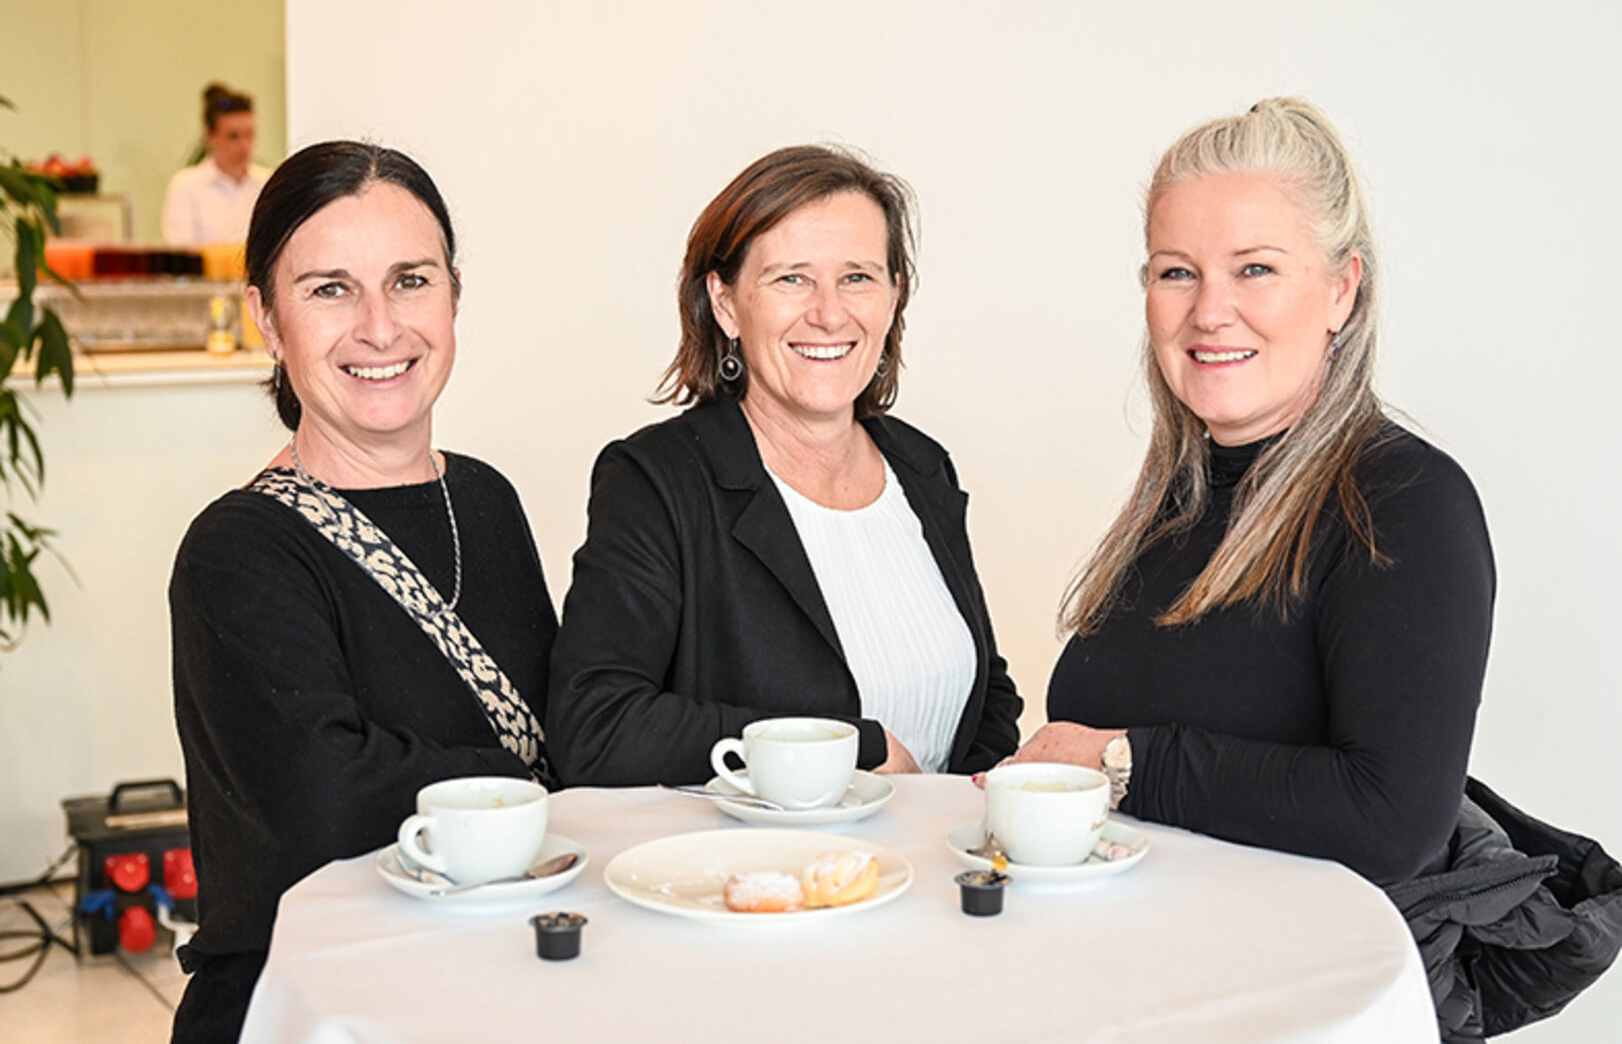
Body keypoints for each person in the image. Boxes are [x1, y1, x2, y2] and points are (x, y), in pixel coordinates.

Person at [1010, 98, 1494, 885]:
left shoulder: (1403, 501)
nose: (1208, 311)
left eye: (1254, 269)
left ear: (1343, 290)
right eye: (1177, 273)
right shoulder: (1183, 499)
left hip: (1293, 990)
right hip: (1144, 972)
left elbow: (1392, 819)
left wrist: (1118, 758)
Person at [168, 141, 555, 1042]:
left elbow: (561, 721)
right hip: (316, 1004)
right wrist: (537, 787)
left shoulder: (486, 501)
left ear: (455, 294)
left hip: (493, 973)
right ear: (266, 318)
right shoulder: (240, 551)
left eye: (411, 280)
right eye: (330, 289)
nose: (380, 328)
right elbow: (328, 805)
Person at [547, 144, 1022, 786]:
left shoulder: (921, 466)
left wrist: (956, 812)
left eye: (857, 276)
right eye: (791, 278)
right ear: (725, 303)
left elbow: (986, 688)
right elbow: (595, 727)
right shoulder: (658, 480)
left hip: (928, 872)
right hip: (758, 876)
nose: (829, 313)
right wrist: (854, 748)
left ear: (893, 297)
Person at [160, 82, 271, 245]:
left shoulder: (268, 182)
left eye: (250, 134)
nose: (244, 145)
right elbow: (181, 252)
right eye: (233, 136)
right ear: (210, 136)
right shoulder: (186, 186)